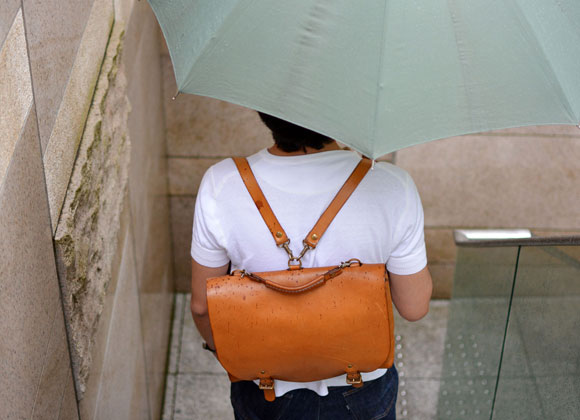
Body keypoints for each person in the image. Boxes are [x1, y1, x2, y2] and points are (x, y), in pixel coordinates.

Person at [190, 112, 433, 420]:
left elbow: (201, 306)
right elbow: (414, 307)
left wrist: (224, 351)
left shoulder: (221, 182)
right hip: (359, 386)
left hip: (264, 385)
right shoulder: (391, 185)